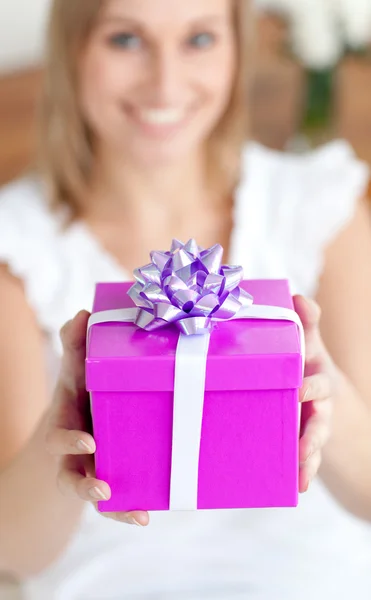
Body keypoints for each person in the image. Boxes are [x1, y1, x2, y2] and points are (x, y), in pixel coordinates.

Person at [0, 0, 370, 598]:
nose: (165, 82)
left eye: (199, 39)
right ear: (73, 50)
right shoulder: (14, 249)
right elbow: (16, 554)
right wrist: (59, 436)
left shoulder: (319, 207)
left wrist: (326, 398)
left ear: (238, 50)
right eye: (125, 40)